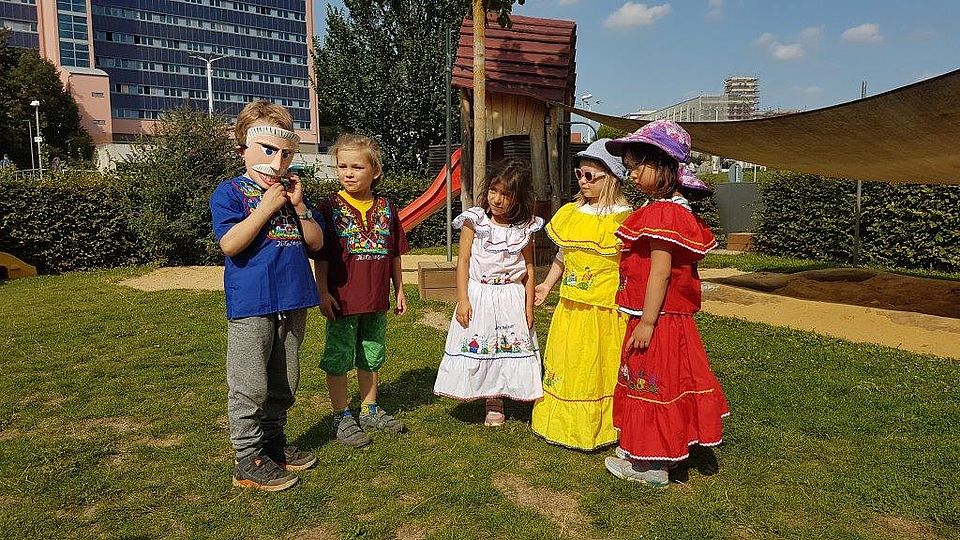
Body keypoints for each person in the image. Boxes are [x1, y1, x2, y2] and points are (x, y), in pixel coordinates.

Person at [602, 120, 730, 487]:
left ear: (663, 165)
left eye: (637, 166)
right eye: (629, 168)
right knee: (662, 382)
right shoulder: (669, 208)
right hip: (665, 316)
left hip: (657, 318)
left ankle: (652, 466)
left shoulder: (663, 214)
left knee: (651, 382)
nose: (632, 175)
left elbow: (660, 272)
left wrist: (646, 321)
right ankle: (650, 448)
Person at [209, 100, 324, 492]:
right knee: (250, 383)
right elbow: (230, 243)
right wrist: (264, 209)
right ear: (243, 149)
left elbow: (316, 243)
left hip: (293, 300)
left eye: (286, 154)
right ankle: (247, 458)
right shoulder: (230, 193)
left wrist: (300, 206)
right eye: (268, 151)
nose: (277, 163)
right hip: (252, 304)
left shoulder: (292, 195)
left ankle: (273, 444)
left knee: (284, 380)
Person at [530, 139, 633, 450]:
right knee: (569, 364)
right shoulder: (572, 213)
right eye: (579, 174)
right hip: (571, 309)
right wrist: (547, 285)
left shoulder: (624, 218)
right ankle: (562, 423)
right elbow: (563, 255)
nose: (583, 181)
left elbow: (631, 266)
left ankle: (603, 427)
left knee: (597, 367)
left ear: (611, 178)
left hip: (605, 311)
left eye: (590, 176)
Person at [313, 133, 409, 448]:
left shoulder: (387, 208)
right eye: (342, 166)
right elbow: (321, 255)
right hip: (342, 300)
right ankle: (341, 415)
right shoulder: (329, 207)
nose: (349, 173)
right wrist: (323, 291)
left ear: (375, 171)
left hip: (376, 299)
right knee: (339, 356)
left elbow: (394, 254)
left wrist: (399, 289)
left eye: (357, 167)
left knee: (372, 354)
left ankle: (369, 408)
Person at [434, 159, 544, 426]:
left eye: (506, 194)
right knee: (484, 343)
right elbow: (463, 261)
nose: (497, 199)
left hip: (510, 297)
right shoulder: (475, 221)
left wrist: (528, 307)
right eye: (494, 190)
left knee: (508, 344)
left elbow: (529, 268)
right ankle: (490, 398)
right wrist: (463, 299)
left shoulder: (524, 229)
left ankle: (508, 392)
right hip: (480, 295)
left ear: (518, 198)